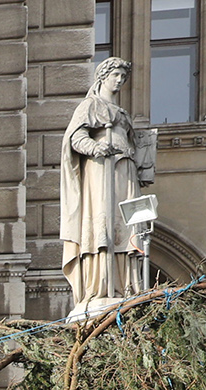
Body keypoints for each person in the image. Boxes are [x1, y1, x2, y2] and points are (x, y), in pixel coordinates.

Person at [60, 58, 143, 315]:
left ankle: (125, 285)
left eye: (123, 76)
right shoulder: (91, 105)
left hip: (125, 170)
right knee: (103, 221)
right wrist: (95, 148)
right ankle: (100, 285)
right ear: (103, 76)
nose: (119, 80)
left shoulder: (123, 114)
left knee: (128, 223)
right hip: (101, 170)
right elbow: (76, 137)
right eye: (116, 75)